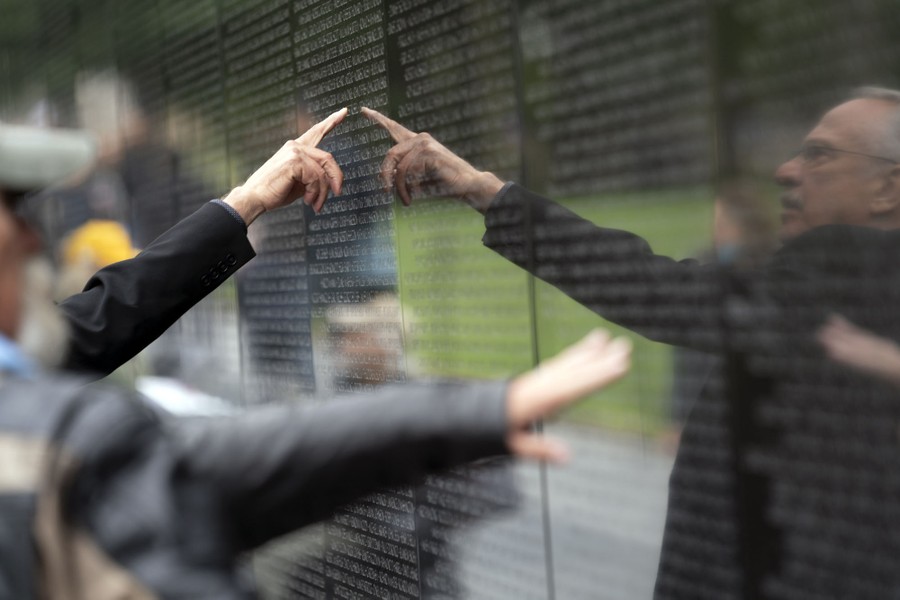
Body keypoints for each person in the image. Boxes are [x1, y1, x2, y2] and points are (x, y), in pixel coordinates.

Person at [0, 114, 633, 599]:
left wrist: (243, 203)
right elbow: (209, 473)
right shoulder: (67, 439)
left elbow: (96, 321)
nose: (31, 235)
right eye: (9, 206)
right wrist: (468, 412)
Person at [361, 87, 900, 598]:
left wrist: (485, 191)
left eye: (820, 155)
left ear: (888, 188)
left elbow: (657, 287)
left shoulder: (835, 269)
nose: (785, 170)